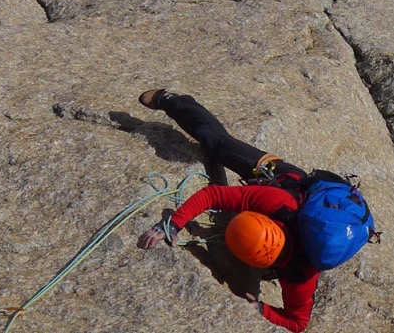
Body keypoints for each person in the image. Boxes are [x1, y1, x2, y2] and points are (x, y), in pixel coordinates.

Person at [134, 89, 320, 332]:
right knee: (216, 143)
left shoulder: (302, 274)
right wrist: (173, 222)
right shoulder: (274, 202)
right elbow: (213, 195)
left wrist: (262, 310)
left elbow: (298, 324)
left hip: (289, 209)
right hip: (279, 178)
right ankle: (170, 99)